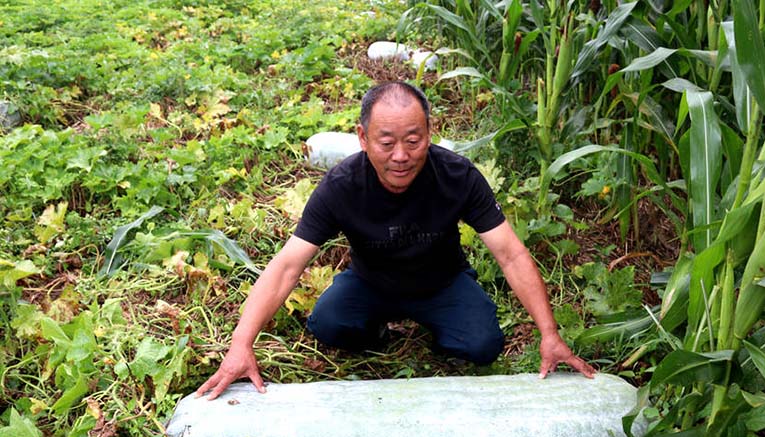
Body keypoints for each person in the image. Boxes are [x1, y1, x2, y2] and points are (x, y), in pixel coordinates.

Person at [197, 81, 595, 400]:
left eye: (413, 140)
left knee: (483, 345)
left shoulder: (458, 176)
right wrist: (240, 344)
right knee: (329, 325)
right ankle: (380, 332)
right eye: (386, 143)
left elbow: (510, 253)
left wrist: (549, 333)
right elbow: (287, 266)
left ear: (429, 133)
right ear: (362, 138)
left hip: (443, 283)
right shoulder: (340, 186)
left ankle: (437, 330)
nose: (401, 156)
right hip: (371, 283)